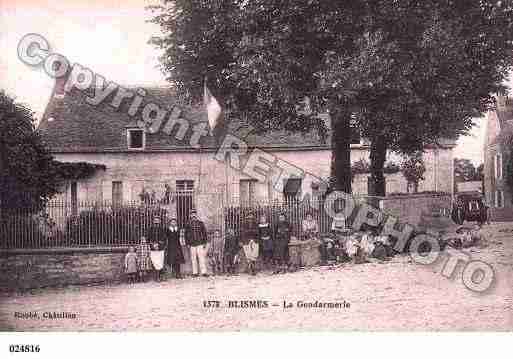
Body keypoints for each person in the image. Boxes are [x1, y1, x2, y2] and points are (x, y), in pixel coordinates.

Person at [185, 210, 208, 277]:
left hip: (200, 243)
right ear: (190, 215)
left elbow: (204, 233)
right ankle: (195, 273)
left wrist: (204, 242)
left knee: (201, 258)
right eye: (192, 214)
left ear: (196, 215)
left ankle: (204, 272)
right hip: (192, 244)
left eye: (194, 214)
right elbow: (186, 235)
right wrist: (187, 243)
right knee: (193, 258)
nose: (193, 215)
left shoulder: (201, 223)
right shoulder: (188, 224)